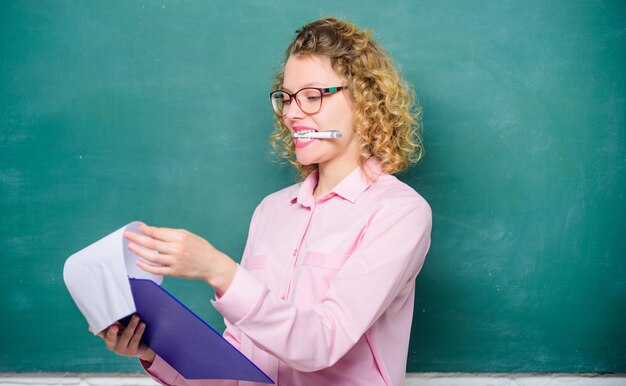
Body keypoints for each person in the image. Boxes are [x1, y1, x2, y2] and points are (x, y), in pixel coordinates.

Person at [95, 17, 432, 386]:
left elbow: (322, 343)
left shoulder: (399, 212)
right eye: (286, 98)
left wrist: (218, 270)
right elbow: (238, 368)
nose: (291, 113)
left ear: (364, 100)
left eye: (312, 95)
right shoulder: (271, 211)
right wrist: (154, 352)